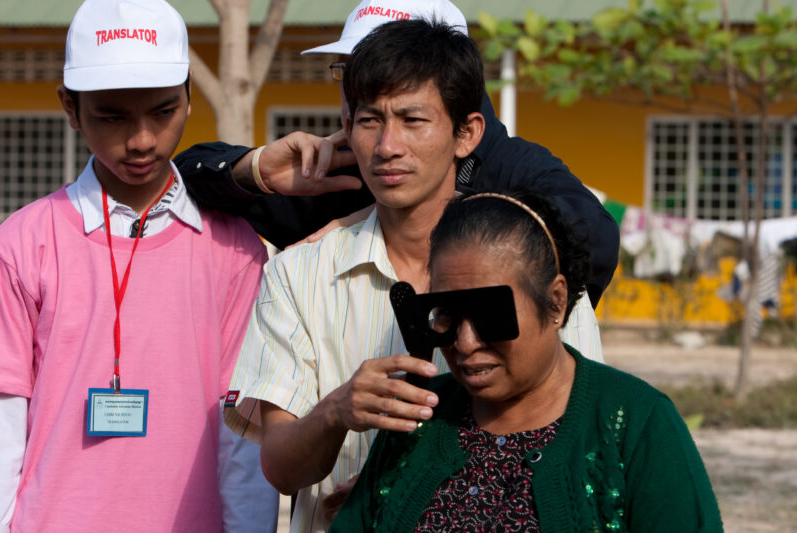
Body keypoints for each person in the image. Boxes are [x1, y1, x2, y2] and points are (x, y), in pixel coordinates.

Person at [224, 19, 607, 533]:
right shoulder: (298, 274)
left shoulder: (538, 266)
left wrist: (412, 499)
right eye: (369, 120)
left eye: (413, 120)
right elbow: (281, 468)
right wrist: (337, 410)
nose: (387, 146)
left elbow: (585, 444)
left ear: (466, 133)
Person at [173, 0, 618, 360]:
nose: (364, 90)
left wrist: (402, 216)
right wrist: (254, 169)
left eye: (397, 74)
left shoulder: (514, 164)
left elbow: (591, 239)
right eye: (350, 73)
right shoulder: (341, 168)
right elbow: (188, 176)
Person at [0, 1, 275, 531]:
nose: (142, 139)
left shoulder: (236, 251)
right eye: (112, 116)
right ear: (69, 108)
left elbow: (242, 432)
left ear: (190, 98)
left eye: (163, 111)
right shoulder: (23, 243)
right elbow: (2, 423)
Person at [330, 190, 724, 532]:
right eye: (447, 314)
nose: (465, 343)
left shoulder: (639, 423)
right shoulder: (415, 418)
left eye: (490, 315)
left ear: (554, 303)